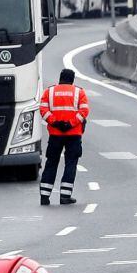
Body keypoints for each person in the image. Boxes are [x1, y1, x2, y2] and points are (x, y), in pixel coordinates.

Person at [38, 68, 90, 206]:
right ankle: (65, 196)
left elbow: (43, 110)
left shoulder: (49, 92)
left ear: (60, 78)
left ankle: (44, 196)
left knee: (51, 163)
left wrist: (55, 122)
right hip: (73, 134)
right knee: (70, 163)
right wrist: (70, 124)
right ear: (72, 80)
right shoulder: (79, 92)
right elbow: (84, 111)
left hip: (55, 134)